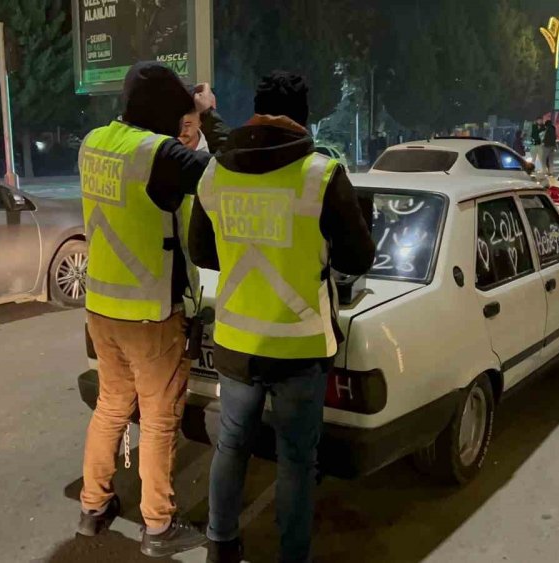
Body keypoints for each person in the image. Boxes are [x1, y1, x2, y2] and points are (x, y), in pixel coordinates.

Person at [189, 72, 375, 563]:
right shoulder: (321, 174)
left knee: (231, 446)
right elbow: (359, 258)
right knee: (296, 460)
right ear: (304, 115)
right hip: (299, 348)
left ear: (257, 107)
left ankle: (220, 544)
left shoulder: (215, 173)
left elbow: (202, 252)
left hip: (235, 341)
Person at [75, 61, 228, 558]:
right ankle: (158, 527)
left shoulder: (93, 142)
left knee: (111, 406)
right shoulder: (158, 154)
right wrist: (209, 117)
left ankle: (92, 508)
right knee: (160, 420)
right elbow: (225, 179)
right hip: (148, 311)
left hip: (101, 306)